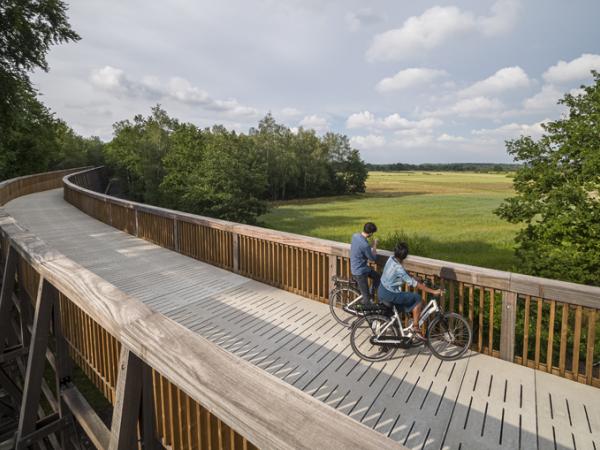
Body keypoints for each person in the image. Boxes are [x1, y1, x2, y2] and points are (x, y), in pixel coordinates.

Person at [378, 242, 442, 337]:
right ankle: (415, 327)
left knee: (406, 302)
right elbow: (415, 285)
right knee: (417, 299)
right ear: (405, 256)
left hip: (382, 290)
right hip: (390, 294)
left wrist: (413, 277)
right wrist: (433, 291)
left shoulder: (391, 259)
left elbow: (403, 273)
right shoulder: (399, 268)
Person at [350, 222, 381, 306]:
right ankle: (366, 305)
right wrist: (374, 245)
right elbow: (373, 258)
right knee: (366, 299)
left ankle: (370, 294)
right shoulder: (365, 245)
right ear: (371, 233)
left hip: (358, 267)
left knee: (377, 276)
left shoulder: (355, 236)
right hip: (360, 272)